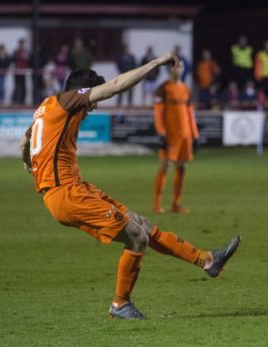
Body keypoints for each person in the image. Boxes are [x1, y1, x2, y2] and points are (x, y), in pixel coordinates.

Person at [19, 51, 240, 320]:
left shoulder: (46, 107)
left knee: (142, 225)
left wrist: (30, 165)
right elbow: (115, 87)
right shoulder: (68, 101)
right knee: (137, 237)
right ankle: (120, 304)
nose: (93, 108)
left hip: (73, 189)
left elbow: (24, 142)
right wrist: (157, 63)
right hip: (66, 194)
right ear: (83, 92)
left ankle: (208, 260)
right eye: (91, 102)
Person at [153, 60, 200, 214]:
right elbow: (158, 112)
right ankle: (157, 204)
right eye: (175, 66)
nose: (178, 68)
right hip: (170, 135)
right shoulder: (163, 89)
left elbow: (190, 113)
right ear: (169, 69)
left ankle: (176, 204)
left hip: (185, 135)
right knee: (164, 166)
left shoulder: (186, 89)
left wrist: (195, 134)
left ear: (184, 69)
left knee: (182, 167)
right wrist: (161, 132)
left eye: (180, 66)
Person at [11, 38, 29, 105]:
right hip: (17, 71)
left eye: (22, 43)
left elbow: (28, 61)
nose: (21, 45)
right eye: (20, 43)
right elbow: (12, 60)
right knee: (17, 87)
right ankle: (16, 100)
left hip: (23, 72)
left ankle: (22, 101)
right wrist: (18, 57)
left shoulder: (25, 52)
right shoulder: (16, 52)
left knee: (24, 87)